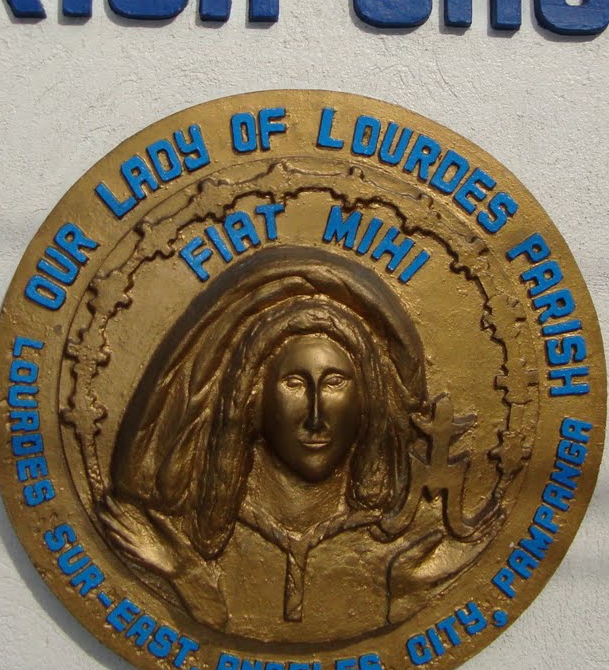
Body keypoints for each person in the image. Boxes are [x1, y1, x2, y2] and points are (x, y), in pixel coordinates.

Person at [100, 245, 451, 643]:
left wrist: (404, 597)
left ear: (367, 398)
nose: (315, 415)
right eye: (294, 383)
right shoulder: (184, 541)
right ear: (252, 397)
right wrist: (187, 579)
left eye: (335, 383)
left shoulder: (397, 546)